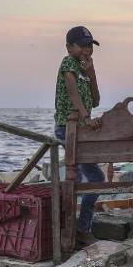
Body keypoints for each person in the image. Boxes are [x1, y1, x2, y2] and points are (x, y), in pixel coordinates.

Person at [54, 25, 106, 246]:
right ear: (69, 47)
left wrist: (91, 72)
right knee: (95, 178)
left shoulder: (84, 69)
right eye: (82, 45)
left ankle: (75, 229)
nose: (87, 50)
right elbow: (73, 92)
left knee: (86, 179)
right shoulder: (68, 63)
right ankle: (82, 230)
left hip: (80, 130)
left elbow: (96, 100)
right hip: (68, 128)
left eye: (90, 46)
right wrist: (86, 117)